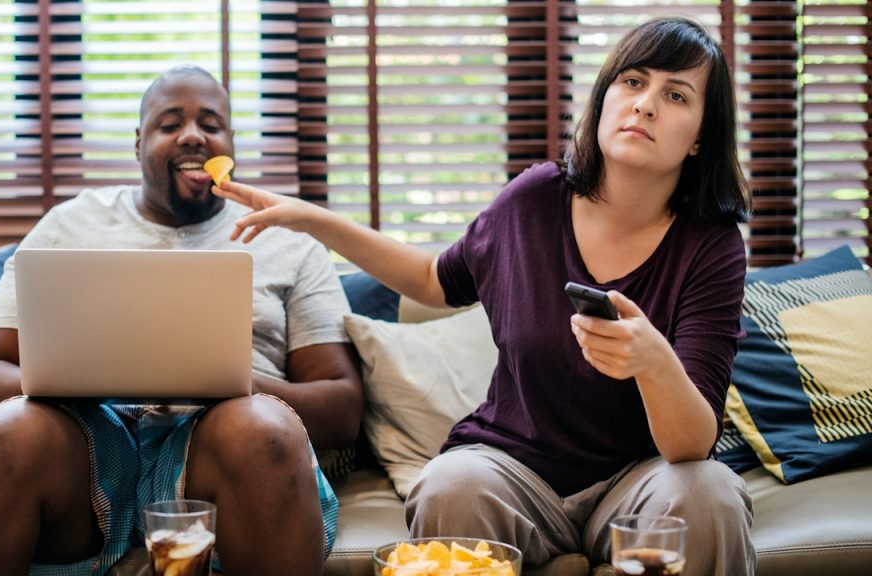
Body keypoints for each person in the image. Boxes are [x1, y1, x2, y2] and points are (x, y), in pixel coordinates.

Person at [213, 16, 755, 575]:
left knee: (709, 495)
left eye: (676, 95)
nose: (645, 105)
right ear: (605, 96)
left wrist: (653, 363)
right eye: (633, 81)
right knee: (450, 485)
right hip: (515, 470)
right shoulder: (534, 201)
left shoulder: (710, 247)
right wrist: (314, 221)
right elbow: (432, 280)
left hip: (640, 479)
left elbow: (690, 446)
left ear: (699, 139)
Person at [0, 65, 363, 576]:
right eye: (170, 123)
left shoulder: (288, 240)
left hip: (228, 457)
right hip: (80, 454)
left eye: (211, 124)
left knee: (261, 428)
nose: (194, 135)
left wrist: (232, 383)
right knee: (2, 432)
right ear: (138, 143)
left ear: (231, 144)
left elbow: (343, 407)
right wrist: (92, 379)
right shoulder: (67, 226)